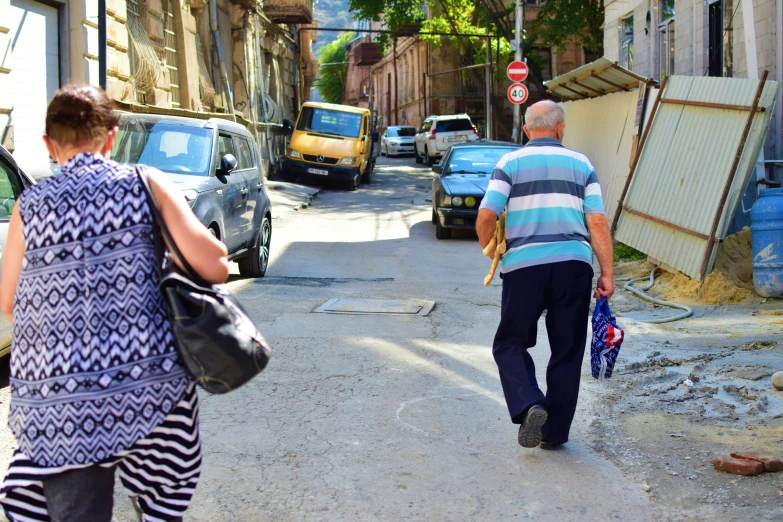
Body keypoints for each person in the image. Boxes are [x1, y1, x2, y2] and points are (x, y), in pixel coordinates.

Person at [0, 84, 229, 522]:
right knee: (164, 496)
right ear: (111, 137)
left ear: (49, 144)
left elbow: (9, 300)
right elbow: (216, 266)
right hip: (149, 388)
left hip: (60, 403)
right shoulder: (145, 183)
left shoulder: (29, 205)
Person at [476, 100, 614, 449]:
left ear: (526, 130)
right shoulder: (582, 164)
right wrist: (607, 273)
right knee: (567, 349)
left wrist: (491, 248)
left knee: (509, 341)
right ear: (560, 128)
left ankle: (529, 402)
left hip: (524, 267)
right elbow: (596, 221)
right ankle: (554, 434)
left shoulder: (510, 162)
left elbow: (487, 215)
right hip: (574, 266)